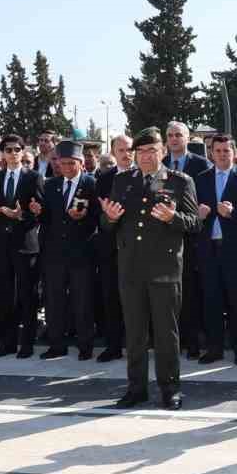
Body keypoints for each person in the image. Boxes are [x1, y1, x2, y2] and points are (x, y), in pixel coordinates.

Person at [100, 127, 199, 409]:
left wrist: (173, 218)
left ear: (163, 151)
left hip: (164, 269)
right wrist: (109, 218)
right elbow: (107, 225)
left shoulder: (180, 181)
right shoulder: (122, 181)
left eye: (151, 150)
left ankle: (170, 389)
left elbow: (195, 223)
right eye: (140, 151)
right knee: (135, 333)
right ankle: (136, 389)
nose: (145, 156)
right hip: (131, 268)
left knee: (166, 334)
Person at [195, 133, 237, 364]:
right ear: (211, 153)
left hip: (235, 250)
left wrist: (232, 213)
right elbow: (192, 213)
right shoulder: (201, 179)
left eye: (226, 151)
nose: (222, 155)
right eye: (217, 151)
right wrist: (199, 216)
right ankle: (214, 348)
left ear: (234, 153)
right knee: (211, 301)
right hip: (209, 249)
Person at [35, 139, 99, 359]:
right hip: (55, 254)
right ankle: (56, 344)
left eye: (72, 163)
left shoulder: (91, 184)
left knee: (82, 301)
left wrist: (83, 218)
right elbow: (48, 219)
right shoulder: (51, 185)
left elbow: (98, 218)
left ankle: (85, 345)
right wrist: (38, 212)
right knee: (54, 301)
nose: (68, 167)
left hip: (82, 252)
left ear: (81, 163)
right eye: (63, 163)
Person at [0, 135, 42, 358]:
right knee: (5, 295)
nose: (13, 153)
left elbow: (40, 212)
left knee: (27, 295)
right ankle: (7, 343)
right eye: (8, 150)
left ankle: (27, 343)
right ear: (2, 153)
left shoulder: (33, 177)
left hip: (25, 244)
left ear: (22, 151)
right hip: (1, 245)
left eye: (17, 149)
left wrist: (21, 215)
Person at [163, 121, 209, 359]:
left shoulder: (201, 164)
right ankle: (172, 342)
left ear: (187, 138)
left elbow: (206, 196)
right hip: (164, 237)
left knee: (189, 292)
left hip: (192, 236)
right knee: (168, 294)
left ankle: (193, 342)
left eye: (178, 135)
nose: (174, 139)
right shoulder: (160, 164)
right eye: (170, 135)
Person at [91, 133, 131, 362]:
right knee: (111, 298)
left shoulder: (145, 176)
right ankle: (113, 345)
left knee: (138, 301)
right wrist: (109, 216)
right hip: (111, 248)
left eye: (129, 150)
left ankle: (139, 345)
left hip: (139, 250)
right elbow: (98, 215)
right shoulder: (104, 180)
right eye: (121, 150)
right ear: (114, 152)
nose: (126, 154)